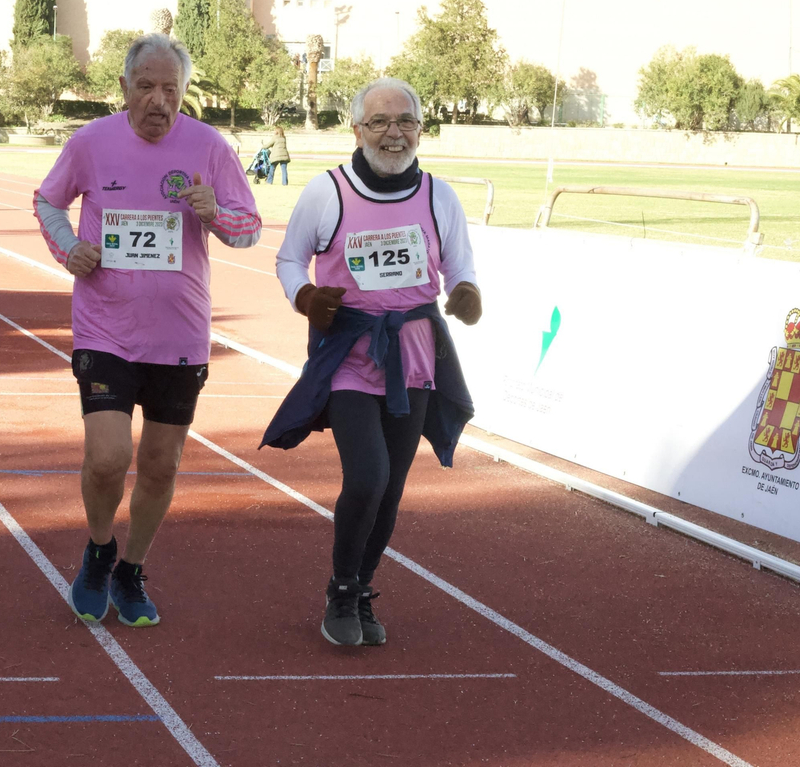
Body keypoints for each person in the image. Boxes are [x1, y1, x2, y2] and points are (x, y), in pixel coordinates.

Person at [34, 34, 262, 627]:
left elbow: (248, 230)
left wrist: (215, 211)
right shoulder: (91, 142)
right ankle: (98, 547)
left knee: (161, 464)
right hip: (105, 328)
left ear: (184, 92)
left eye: (171, 89)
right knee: (108, 457)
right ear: (124, 88)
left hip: (180, 336)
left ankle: (131, 569)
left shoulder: (210, 146)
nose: (158, 100)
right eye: (146, 87)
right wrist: (69, 248)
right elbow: (48, 202)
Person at [262, 77, 481, 648]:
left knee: (392, 488)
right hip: (350, 356)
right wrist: (306, 297)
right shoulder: (327, 192)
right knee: (369, 476)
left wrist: (464, 293)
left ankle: (361, 589)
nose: (393, 133)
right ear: (356, 130)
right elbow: (290, 260)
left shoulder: (439, 196)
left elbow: (461, 267)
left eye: (405, 121)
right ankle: (338, 591)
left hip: (414, 358)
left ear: (421, 130)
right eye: (380, 122)